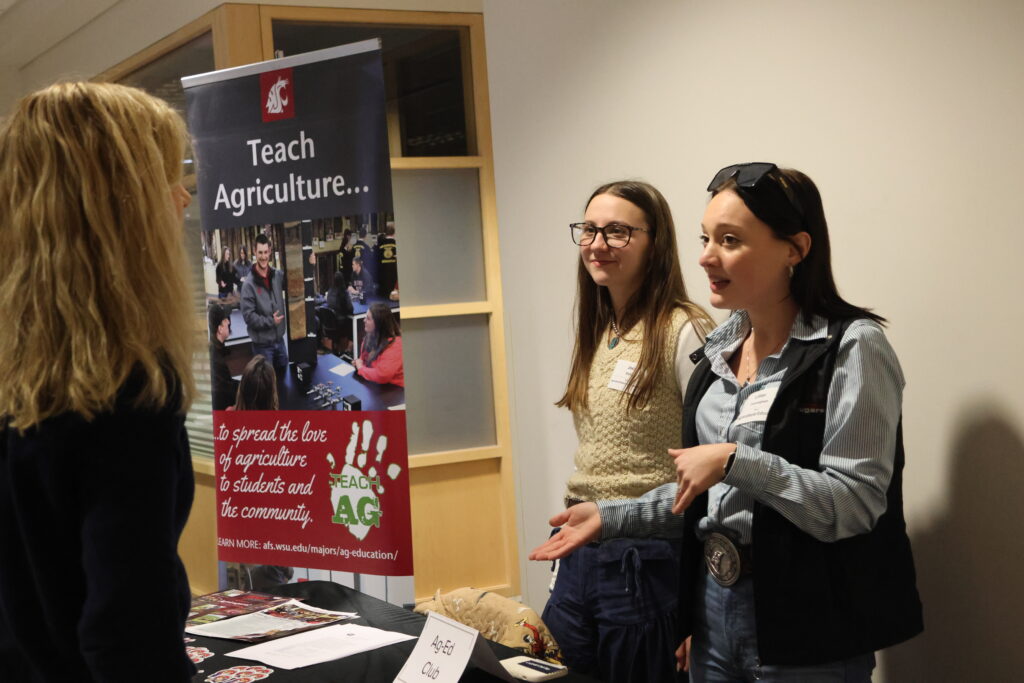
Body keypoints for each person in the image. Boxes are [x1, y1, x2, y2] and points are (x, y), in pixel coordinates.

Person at [531, 163, 923, 681]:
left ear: (795, 249)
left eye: (730, 240)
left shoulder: (852, 348)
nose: (705, 257)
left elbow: (853, 505)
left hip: (806, 622)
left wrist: (738, 461)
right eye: (706, 237)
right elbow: (703, 495)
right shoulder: (719, 352)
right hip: (713, 610)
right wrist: (610, 517)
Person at [0, 81, 197, 681]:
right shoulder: (125, 392)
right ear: (124, 210)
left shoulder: (20, 375)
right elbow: (128, 642)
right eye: (167, 178)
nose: (183, 198)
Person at [539, 180, 713, 683]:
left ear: (654, 241)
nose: (597, 244)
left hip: (645, 562)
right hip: (579, 553)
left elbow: (711, 468)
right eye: (590, 230)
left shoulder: (685, 330)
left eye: (617, 232)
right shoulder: (601, 326)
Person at [226, 355, 294, 591]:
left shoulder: (228, 423)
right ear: (272, 392)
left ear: (242, 387)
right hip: (270, 543)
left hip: (239, 535)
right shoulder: (280, 435)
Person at [240, 233, 288, 370]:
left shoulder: (277, 275)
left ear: (270, 252)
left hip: (280, 342)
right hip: (262, 348)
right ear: (254, 252)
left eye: (266, 252)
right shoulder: (249, 284)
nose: (263, 256)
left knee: (286, 383)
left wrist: (309, 264)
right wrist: (270, 321)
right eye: (260, 252)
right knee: (267, 387)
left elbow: (295, 282)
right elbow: (249, 317)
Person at [353, 302, 404, 387]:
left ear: (379, 324)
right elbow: (363, 361)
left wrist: (361, 368)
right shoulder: (368, 339)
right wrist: (359, 364)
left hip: (395, 390)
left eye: (368, 318)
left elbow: (382, 375)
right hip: (376, 386)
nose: (364, 320)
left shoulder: (396, 345)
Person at [208, 303, 238, 411]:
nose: (229, 322)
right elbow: (225, 392)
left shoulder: (216, 350)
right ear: (220, 329)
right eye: (226, 320)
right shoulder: (217, 360)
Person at [375, 220, 398, 297]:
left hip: (383, 274)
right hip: (394, 273)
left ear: (386, 233)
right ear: (394, 233)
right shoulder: (396, 244)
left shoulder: (380, 245)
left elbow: (377, 259)